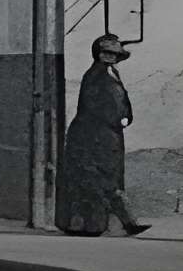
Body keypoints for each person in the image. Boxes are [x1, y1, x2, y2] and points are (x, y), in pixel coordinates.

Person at [59, 34, 149, 238]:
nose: (111, 57)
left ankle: (111, 224)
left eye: (114, 54)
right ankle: (118, 224)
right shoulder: (103, 76)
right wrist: (123, 120)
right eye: (107, 53)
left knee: (95, 181)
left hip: (95, 134)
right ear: (99, 54)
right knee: (104, 181)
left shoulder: (102, 74)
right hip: (100, 136)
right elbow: (111, 108)